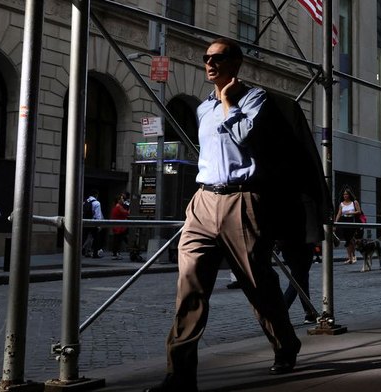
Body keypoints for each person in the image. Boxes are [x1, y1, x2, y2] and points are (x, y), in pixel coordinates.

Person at [146, 37, 329, 392]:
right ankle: (180, 375)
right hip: (202, 203)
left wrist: (230, 103)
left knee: (256, 284)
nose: (210, 63)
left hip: (243, 202)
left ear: (236, 63)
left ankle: (285, 343)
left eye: (218, 57)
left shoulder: (254, 98)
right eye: (206, 58)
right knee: (189, 289)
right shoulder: (202, 109)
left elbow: (245, 137)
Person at [334, 188, 362, 265]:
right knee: (347, 240)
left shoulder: (354, 202)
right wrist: (335, 223)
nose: (345, 195)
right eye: (344, 194)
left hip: (352, 221)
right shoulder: (341, 204)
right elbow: (339, 213)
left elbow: (359, 211)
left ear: (349, 195)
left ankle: (353, 256)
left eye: (346, 194)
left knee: (351, 239)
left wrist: (352, 212)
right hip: (344, 221)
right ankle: (349, 258)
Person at [82, 189, 106, 259]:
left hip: (85, 222)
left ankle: (84, 251)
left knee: (85, 237)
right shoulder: (97, 203)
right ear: (96, 195)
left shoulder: (85, 201)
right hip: (93, 223)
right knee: (96, 239)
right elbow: (98, 215)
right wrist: (99, 226)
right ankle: (95, 254)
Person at [109, 192, 130, 260]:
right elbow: (126, 213)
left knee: (117, 240)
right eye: (121, 199)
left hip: (116, 226)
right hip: (119, 227)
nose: (123, 200)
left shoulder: (115, 207)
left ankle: (115, 253)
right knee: (118, 240)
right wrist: (129, 210)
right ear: (118, 200)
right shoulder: (119, 207)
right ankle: (116, 253)